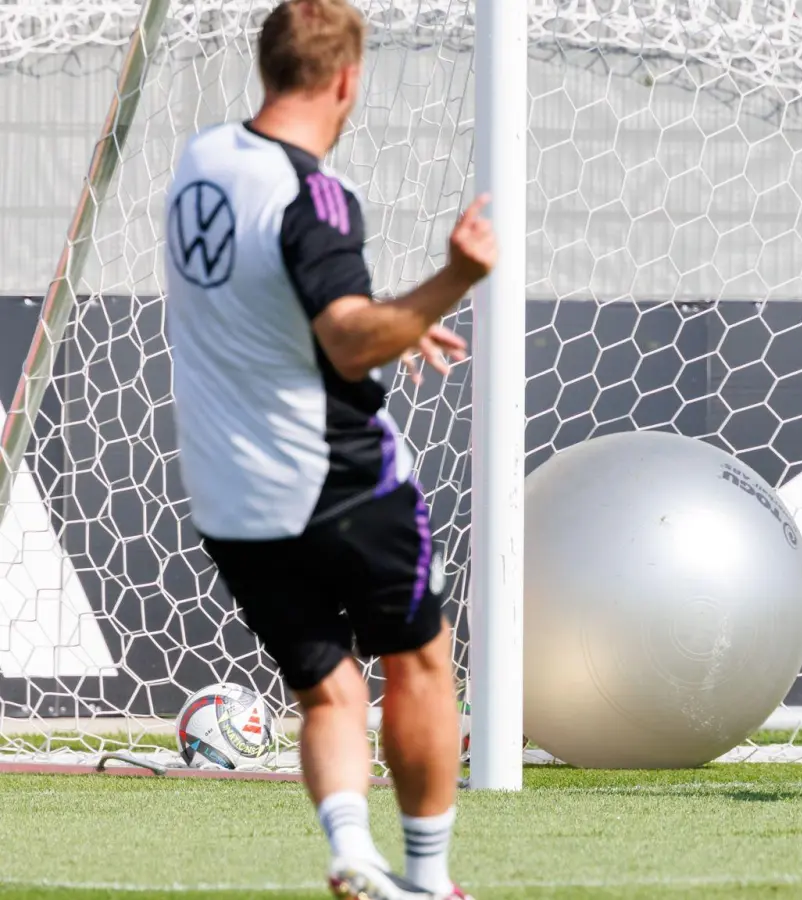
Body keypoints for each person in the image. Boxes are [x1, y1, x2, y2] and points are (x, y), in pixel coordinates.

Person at [161, 1, 498, 896]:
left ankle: (351, 852)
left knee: (329, 688)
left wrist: (400, 322)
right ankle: (429, 880)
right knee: (419, 660)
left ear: (266, 66)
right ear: (347, 81)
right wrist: (449, 283)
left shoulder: (200, 162)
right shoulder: (315, 194)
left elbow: (274, 302)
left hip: (230, 497)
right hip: (337, 479)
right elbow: (348, 339)